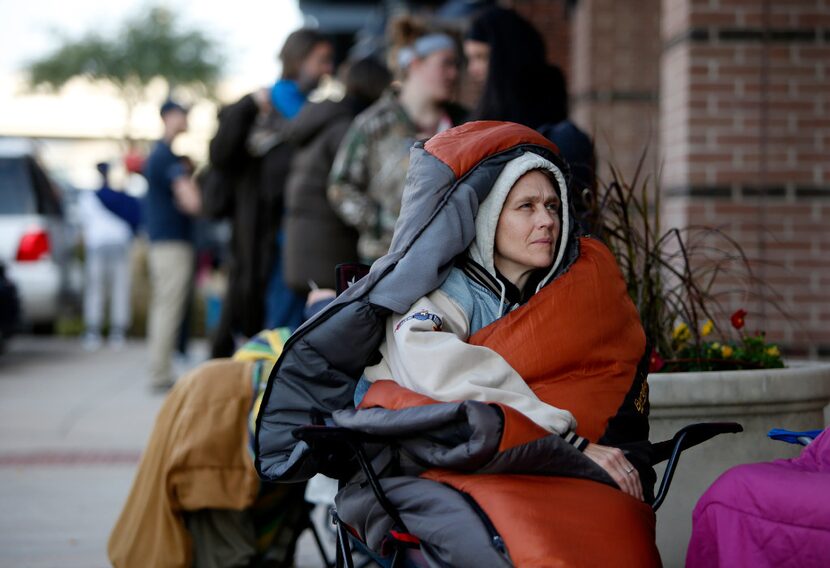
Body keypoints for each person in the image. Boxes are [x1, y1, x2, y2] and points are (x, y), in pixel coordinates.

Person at [255, 122, 659, 566]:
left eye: (552, 205)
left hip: (542, 465)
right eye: (525, 206)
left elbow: (593, 374)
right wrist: (565, 440)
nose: (546, 219)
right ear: (487, 218)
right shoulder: (447, 291)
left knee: (611, 524)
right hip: (438, 465)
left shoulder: (562, 296)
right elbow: (429, 365)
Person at [207, 29, 334, 357]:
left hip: (301, 245)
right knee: (272, 335)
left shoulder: (314, 112)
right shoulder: (264, 106)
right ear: (299, 60)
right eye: (321, 60)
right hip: (266, 246)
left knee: (293, 334)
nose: (328, 69)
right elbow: (220, 155)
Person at [327, 16, 466, 264]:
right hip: (383, 262)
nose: (454, 73)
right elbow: (340, 187)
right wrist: (381, 223)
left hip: (449, 262)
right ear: (414, 63)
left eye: (456, 65)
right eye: (445, 64)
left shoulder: (463, 125)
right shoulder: (373, 124)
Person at [464, 6, 597, 227]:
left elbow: (576, 222)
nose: (473, 69)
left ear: (506, 60)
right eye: (470, 58)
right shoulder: (478, 127)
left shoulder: (562, 139)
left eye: (481, 57)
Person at [283, 57, 392, 295]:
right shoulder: (348, 128)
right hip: (329, 245)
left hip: (305, 239)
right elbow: (356, 185)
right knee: (326, 322)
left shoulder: (323, 119)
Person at [143, 99, 200, 391]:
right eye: (183, 113)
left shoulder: (162, 154)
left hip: (165, 242)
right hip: (171, 243)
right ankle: (159, 374)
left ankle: (159, 370)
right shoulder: (165, 156)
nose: (187, 118)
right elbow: (190, 200)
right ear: (168, 116)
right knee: (168, 306)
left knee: (164, 305)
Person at [78, 162, 141, 350]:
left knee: (100, 288)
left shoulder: (89, 197)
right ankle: (111, 330)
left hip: (102, 246)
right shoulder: (122, 197)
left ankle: (101, 330)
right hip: (114, 246)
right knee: (115, 288)